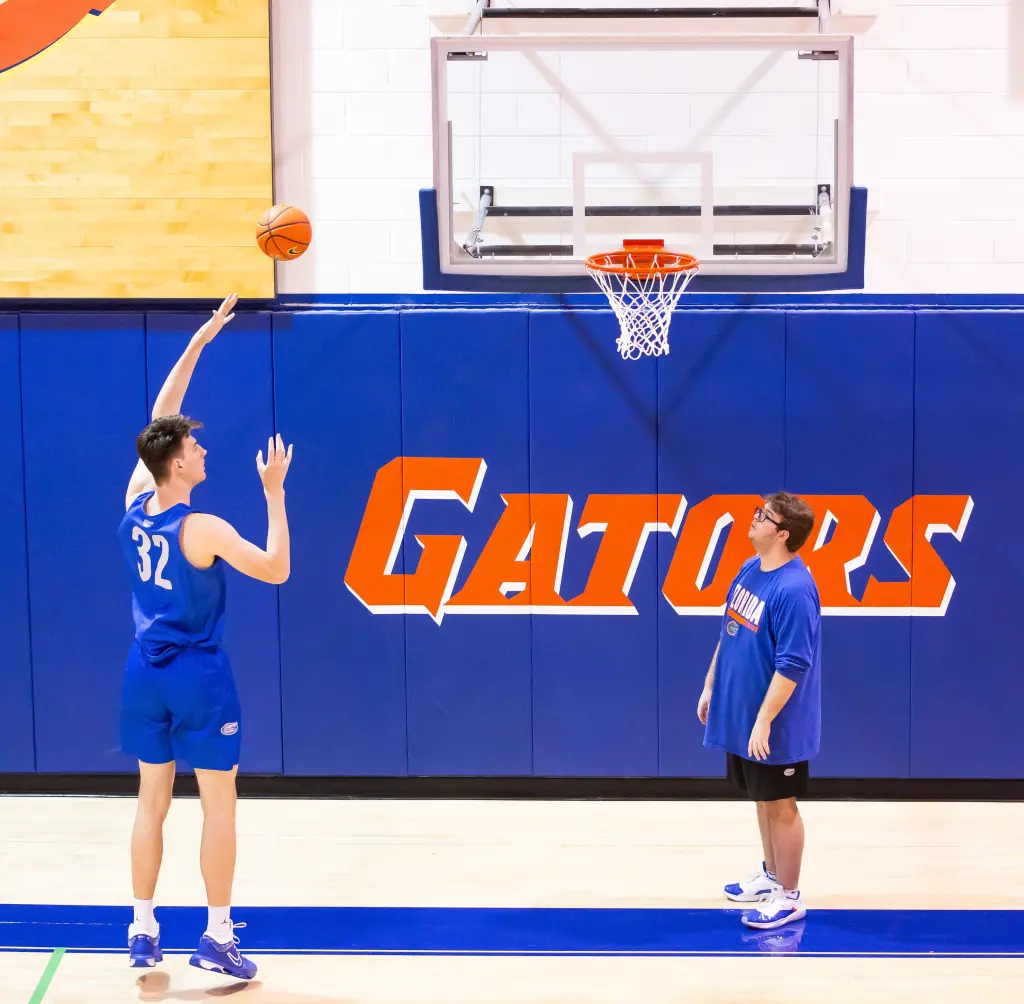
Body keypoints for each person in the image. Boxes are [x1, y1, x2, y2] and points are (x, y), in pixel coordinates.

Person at [119, 294, 293, 978]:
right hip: (196, 675)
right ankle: (218, 938)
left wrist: (198, 344)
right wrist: (275, 492)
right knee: (218, 805)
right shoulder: (205, 528)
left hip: (143, 671)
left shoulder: (136, 498)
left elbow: (161, 416)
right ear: (180, 467)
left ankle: (141, 928)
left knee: (151, 800)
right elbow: (277, 569)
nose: (202, 448)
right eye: (195, 447)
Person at [697, 491, 821, 930]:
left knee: (781, 803)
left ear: (782, 533)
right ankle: (771, 876)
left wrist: (766, 719)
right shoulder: (751, 570)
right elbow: (729, 631)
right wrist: (712, 684)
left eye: (763, 516)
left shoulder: (795, 589)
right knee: (762, 799)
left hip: (776, 722)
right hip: (745, 714)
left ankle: (789, 897)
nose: (753, 519)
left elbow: (793, 665)